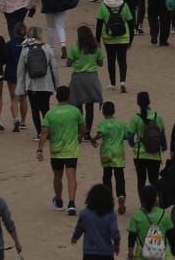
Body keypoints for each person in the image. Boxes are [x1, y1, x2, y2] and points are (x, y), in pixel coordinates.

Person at [37, 84, 85, 214]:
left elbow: (44, 133)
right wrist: (79, 137)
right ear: (69, 96)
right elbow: (83, 129)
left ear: (57, 97)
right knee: (71, 177)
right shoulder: (75, 111)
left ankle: (59, 200)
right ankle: (71, 203)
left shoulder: (50, 113)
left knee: (57, 177)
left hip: (56, 151)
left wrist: (40, 150)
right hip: (71, 150)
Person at [71, 182, 120, 260]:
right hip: (106, 253)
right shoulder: (111, 215)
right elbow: (115, 233)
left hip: (89, 253)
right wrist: (117, 244)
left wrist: (75, 237)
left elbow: (79, 228)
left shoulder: (85, 214)